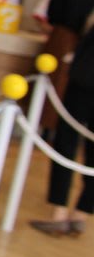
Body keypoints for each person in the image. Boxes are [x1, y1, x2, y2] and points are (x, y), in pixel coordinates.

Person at [30, 23, 94, 237]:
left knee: (65, 144)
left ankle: (60, 212)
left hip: (85, 83)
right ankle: (81, 214)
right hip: (84, 78)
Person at [39, 0, 94, 133]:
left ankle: (48, 127)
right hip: (84, 45)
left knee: (55, 85)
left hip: (62, 40)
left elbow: (52, 14)